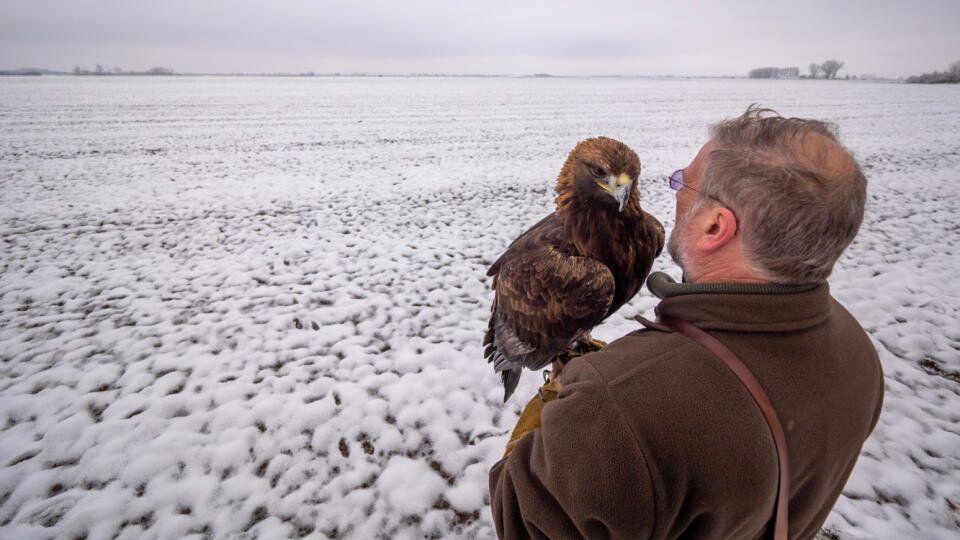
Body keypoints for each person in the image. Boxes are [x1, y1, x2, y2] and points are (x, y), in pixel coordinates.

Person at [488, 106, 885, 540]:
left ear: (716, 225)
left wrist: (554, 420)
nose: (674, 194)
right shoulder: (859, 355)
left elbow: (518, 519)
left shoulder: (617, 408)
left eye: (684, 183)